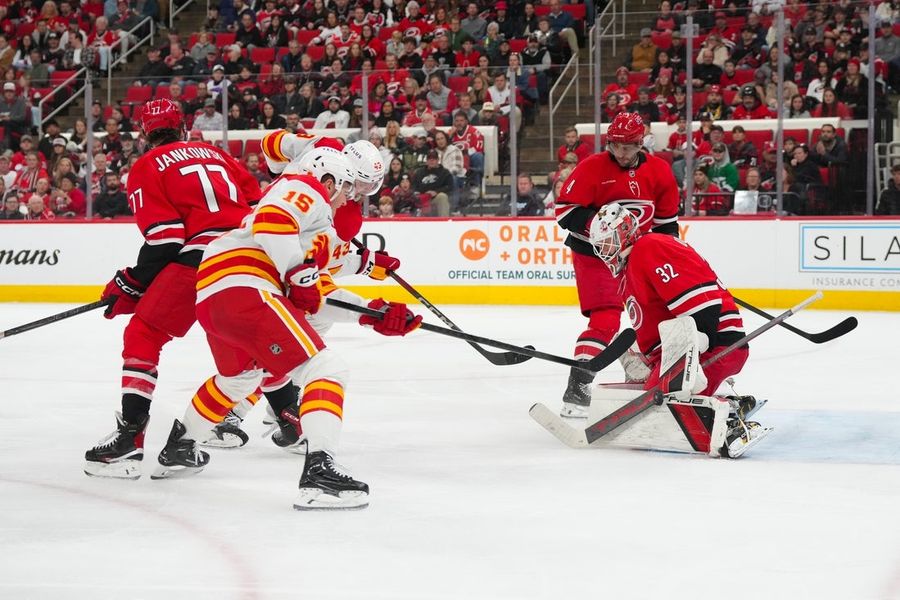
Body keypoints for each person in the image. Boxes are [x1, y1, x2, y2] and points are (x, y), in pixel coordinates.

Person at [153, 146, 419, 509]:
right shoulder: (308, 188)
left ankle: (179, 447)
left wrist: (373, 312)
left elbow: (319, 290)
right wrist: (298, 272)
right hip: (246, 285)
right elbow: (273, 222)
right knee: (327, 369)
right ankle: (320, 474)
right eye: (345, 189)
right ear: (329, 181)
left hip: (215, 295)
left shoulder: (305, 230)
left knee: (239, 380)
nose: (347, 199)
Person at [83, 99, 263, 479]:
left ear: (145, 134)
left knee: (144, 333)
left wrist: (131, 282)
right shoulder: (220, 156)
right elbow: (260, 209)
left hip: (198, 261)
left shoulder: (147, 165)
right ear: (183, 128)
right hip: (248, 259)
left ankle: (130, 439)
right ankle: (283, 415)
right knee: (251, 356)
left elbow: (166, 239)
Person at [586, 202, 768, 456]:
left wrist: (693, 353)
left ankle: (729, 425)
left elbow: (701, 304)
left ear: (625, 231)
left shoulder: (649, 247)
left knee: (651, 412)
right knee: (643, 410)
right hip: (679, 350)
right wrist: (643, 356)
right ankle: (727, 403)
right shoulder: (630, 270)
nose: (605, 252)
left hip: (715, 346)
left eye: (608, 242)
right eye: (601, 246)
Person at [554, 112, 680, 418]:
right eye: (616, 146)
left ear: (641, 143)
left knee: (653, 314)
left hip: (636, 256)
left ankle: (640, 367)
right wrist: (600, 227)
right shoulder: (592, 167)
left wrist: (664, 258)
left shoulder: (659, 171)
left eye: (629, 146)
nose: (622, 153)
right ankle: (578, 387)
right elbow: (566, 213)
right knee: (606, 318)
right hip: (593, 255)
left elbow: (666, 226)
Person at [412, 149, 453, 217]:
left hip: (435, 199)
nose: (431, 160)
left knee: (442, 196)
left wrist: (436, 192)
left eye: (434, 158)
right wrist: (419, 194)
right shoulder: (419, 172)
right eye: (429, 158)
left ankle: (444, 221)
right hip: (422, 199)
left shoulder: (445, 172)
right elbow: (414, 187)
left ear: (438, 160)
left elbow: (450, 186)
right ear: (426, 160)